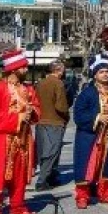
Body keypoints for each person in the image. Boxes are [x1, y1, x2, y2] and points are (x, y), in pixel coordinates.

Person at [0, 49, 42, 214]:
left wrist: (32, 113)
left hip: (23, 141)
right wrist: (17, 118)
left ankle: (18, 207)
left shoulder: (28, 89)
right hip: (0, 141)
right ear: (14, 69)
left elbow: (38, 110)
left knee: (19, 175)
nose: (26, 70)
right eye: (23, 67)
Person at [72, 55, 108, 209]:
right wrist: (97, 117)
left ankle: (106, 194)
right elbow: (78, 115)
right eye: (101, 72)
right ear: (95, 74)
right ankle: (82, 196)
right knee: (87, 165)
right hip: (91, 137)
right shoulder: (87, 93)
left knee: (107, 165)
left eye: (107, 71)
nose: (105, 74)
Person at [35, 60, 69, 191]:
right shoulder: (58, 83)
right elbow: (61, 106)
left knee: (44, 151)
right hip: (55, 121)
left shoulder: (40, 83)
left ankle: (50, 176)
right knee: (53, 151)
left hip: (41, 121)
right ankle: (43, 180)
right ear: (58, 70)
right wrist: (66, 115)